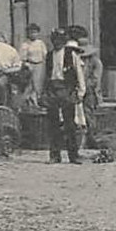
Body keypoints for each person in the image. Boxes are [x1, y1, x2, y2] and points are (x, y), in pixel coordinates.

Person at [42, 27, 86, 164]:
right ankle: (55, 155)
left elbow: (79, 73)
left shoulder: (71, 54)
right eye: (55, 40)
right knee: (53, 123)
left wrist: (81, 91)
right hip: (53, 90)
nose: (57, 42)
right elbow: (45, 75)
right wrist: (42, 92)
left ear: (64, 41)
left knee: (69, 124)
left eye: (60, 40)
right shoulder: (49, 56)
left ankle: (73, 155)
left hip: (67, 89)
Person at [0, 32, 22, 105]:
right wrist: (6, 70)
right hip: (4, 75)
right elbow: (18, 67)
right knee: (4, 95)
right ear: (5, 40)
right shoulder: (11, 49)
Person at [19, 23, 48, 107]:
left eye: (35, 32)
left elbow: (45, 55)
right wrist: (27, 65)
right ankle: (28, 103)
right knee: (30, 85)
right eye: (31, 32)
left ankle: (39, 101)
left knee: (39, 85)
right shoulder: (25, 44)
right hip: (30, 66)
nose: (33, 34)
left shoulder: (41, 43)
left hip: (40, 66)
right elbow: (22, 58)